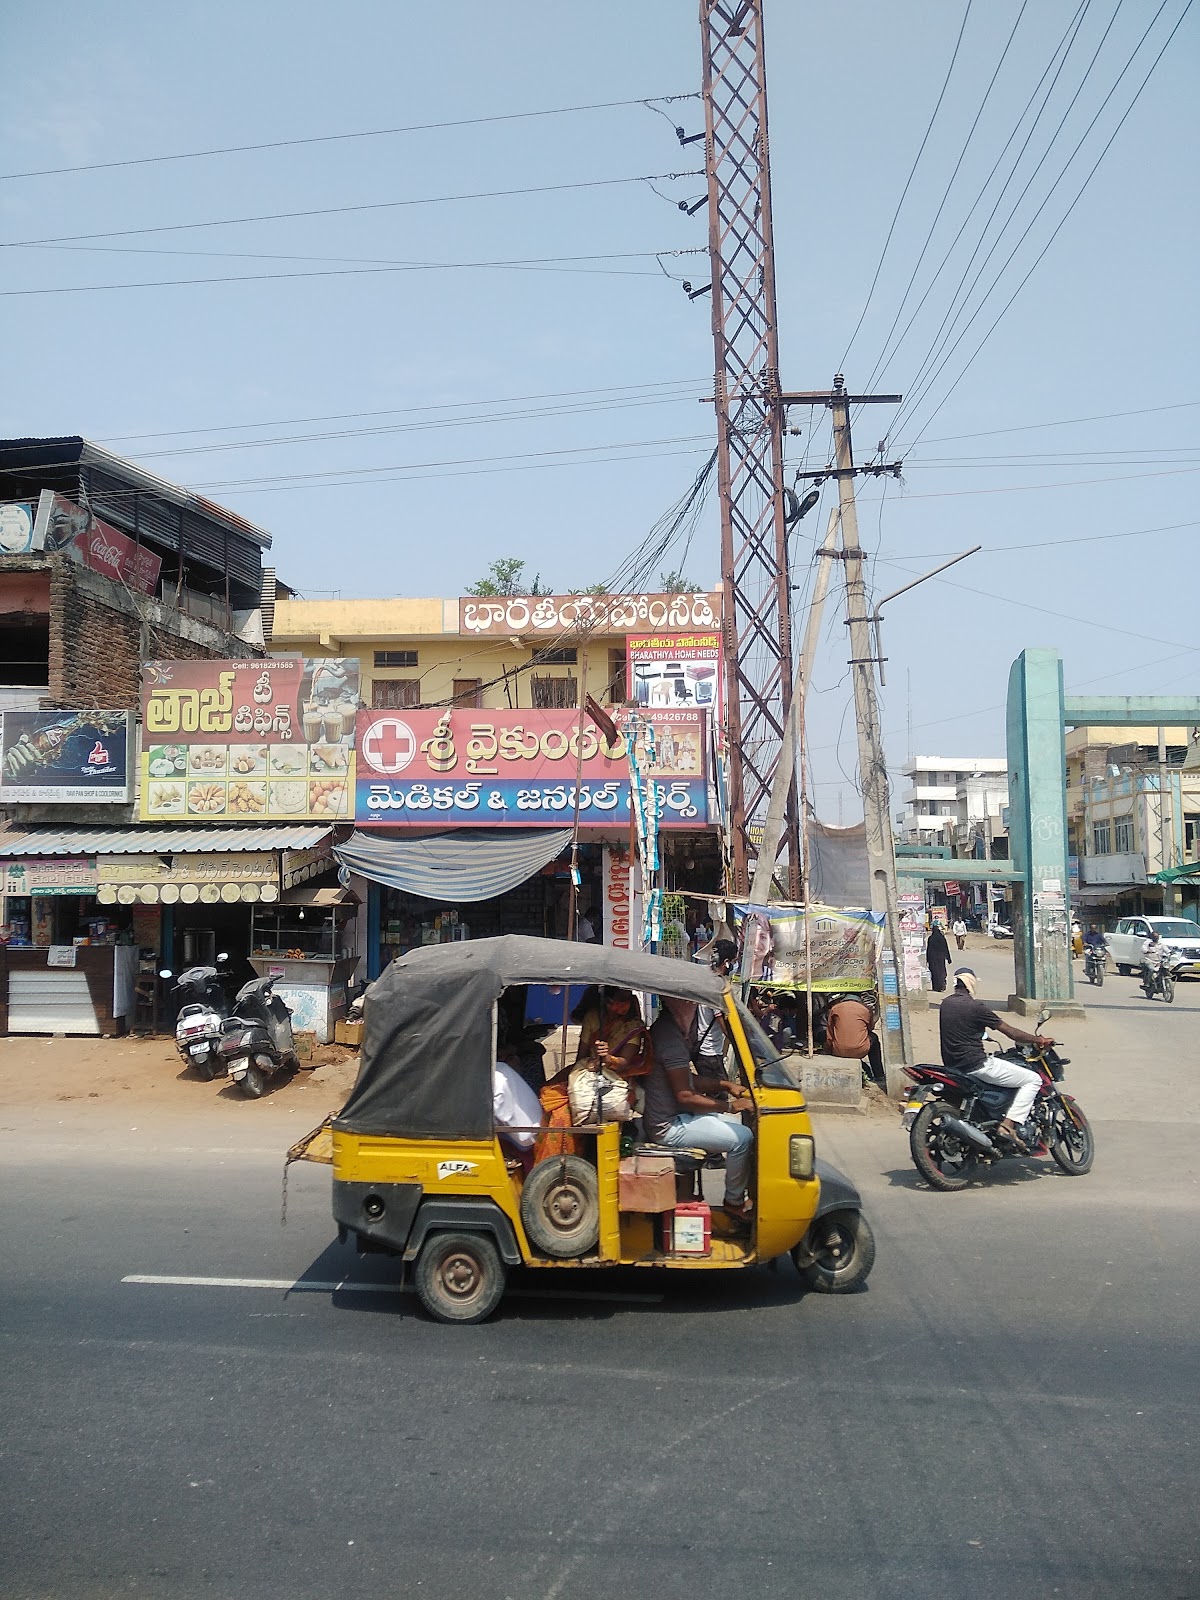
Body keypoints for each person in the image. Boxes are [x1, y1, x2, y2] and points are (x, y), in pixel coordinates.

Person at [644, 996, 755, 1219]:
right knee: (742, 1139)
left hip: (677, 1115)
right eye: (691, 1003)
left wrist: (724, 1084)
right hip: (668, 1127)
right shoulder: (670, 1038)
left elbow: (686, 1079)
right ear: (680, 1005)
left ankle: (746, 1191)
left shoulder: (670, 1029)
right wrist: (730, 1106)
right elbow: (685, 1094)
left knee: (739, 1126)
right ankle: (733, 1202)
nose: (694, 1008)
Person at [939, 968, 1055, 1152]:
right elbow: (1011, 1032)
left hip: (953, 1066)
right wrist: (1038, 1040)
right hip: (977, 1064)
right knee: (1033, 1080)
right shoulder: (976, 1008)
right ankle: (1008, 1125)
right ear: (972, 984)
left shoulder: (946, 1004)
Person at [493, 1053, 545, 1170]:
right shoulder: (501, 1068)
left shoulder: (496, 1079)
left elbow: (502, 1115)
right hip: (535, 1123)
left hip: (525, 1137)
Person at [695, 939, 737, 1077]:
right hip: (710, 1052)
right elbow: (720, 1020)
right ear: (726, 961)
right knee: (720, 1094)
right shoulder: (716, 987)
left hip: (704, 1049)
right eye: (733, 961)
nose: (734, 965)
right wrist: (737, 1042)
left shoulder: (706, 980)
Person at [825, 994, 885, 1086]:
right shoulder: (865, 1009)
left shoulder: (835, 1008)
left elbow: (829, 1034)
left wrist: (829, 1052)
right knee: (874, 1038)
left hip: (838, 1050)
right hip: (859, 1050)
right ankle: (879, 1074)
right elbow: (870, 1028)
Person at [926, 923, 953, 993]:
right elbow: (945, 948)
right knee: (941, 971)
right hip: (941, 957)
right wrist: (948, 958)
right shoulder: (942, 938)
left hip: (933, 958)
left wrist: (927, 959)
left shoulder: (931, 938)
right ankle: (942, 985)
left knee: (934, 972)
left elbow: (928, 949)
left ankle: (936, 987)